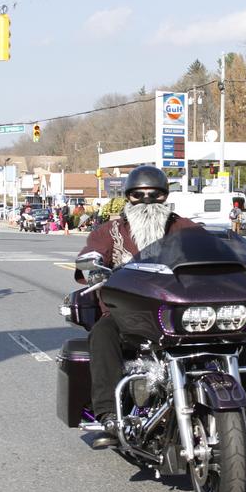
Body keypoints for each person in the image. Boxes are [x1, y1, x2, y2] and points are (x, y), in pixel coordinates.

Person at [74, 166, 200, 447]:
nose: (146, 201)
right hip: (126, 314)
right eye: (138, 195)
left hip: (177, 314)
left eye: (154, 195)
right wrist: (92, 265)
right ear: (128, 198)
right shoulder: (109, 231)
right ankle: (108, 414)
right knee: (102, 333)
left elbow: (211, 246)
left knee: (230, 329)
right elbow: (89, 258)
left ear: (165, 197)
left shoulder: (182, 227)